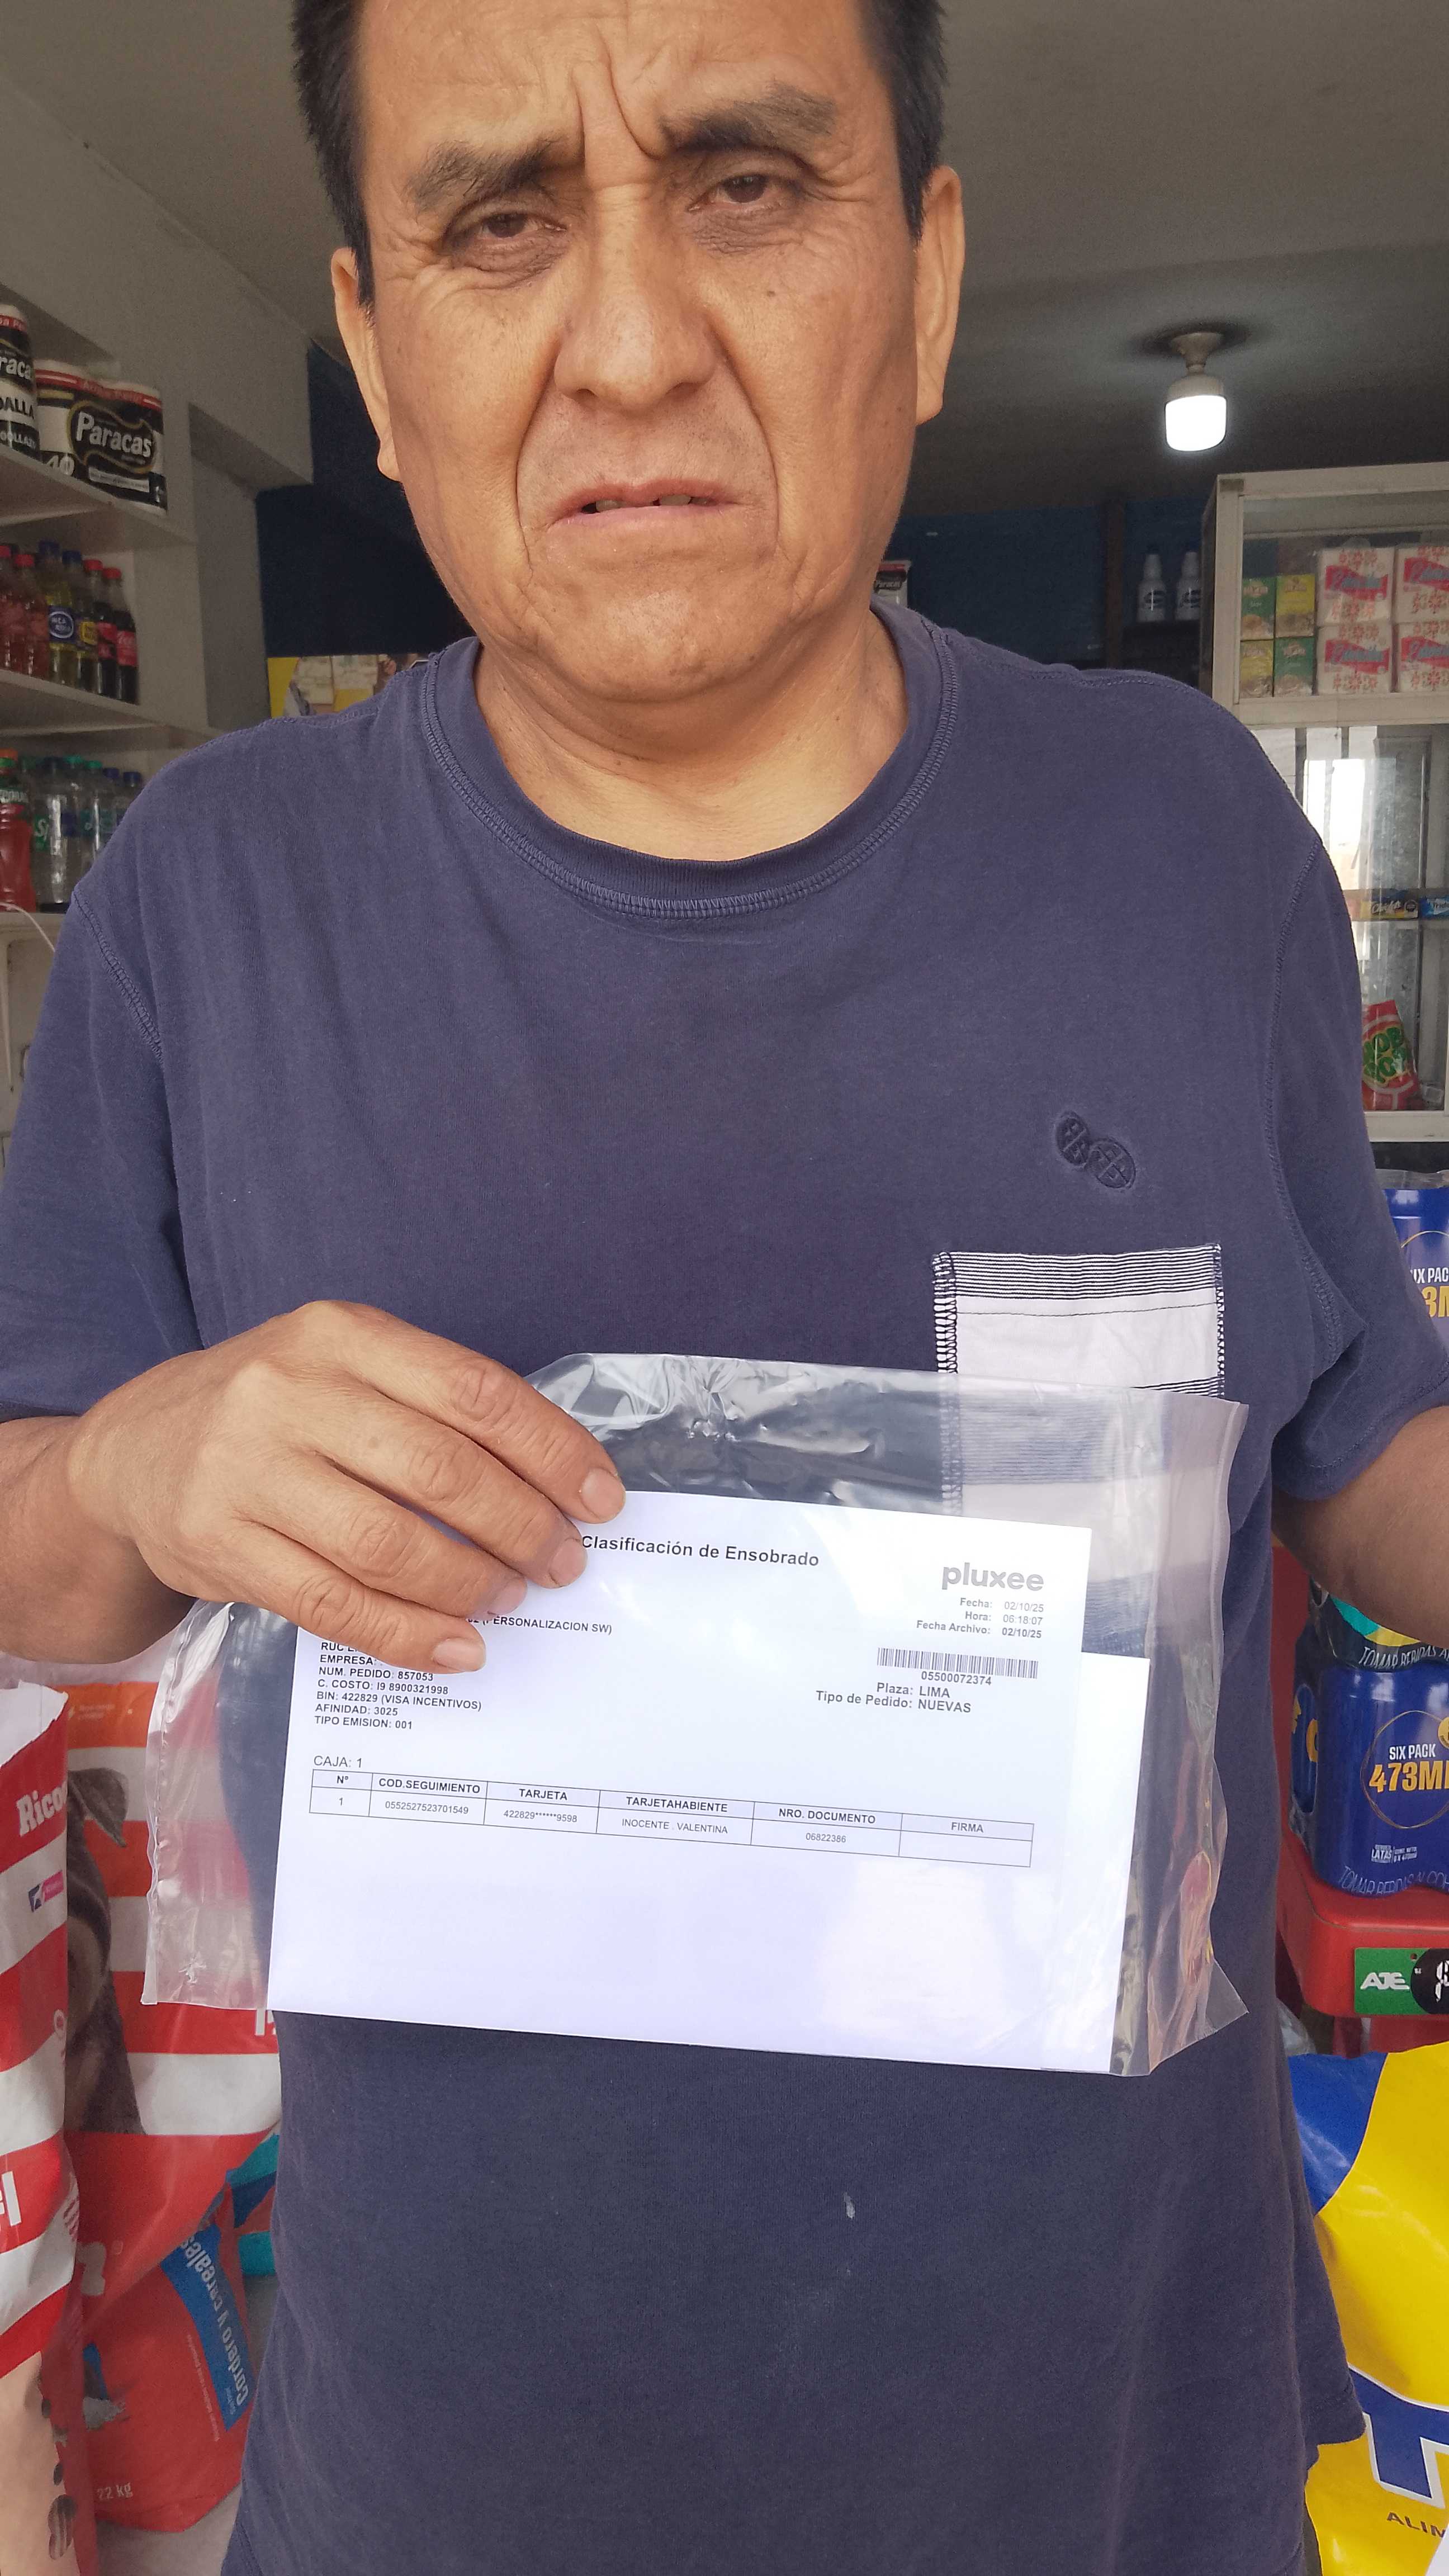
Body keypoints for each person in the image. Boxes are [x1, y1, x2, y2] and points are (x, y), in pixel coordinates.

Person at [1, 0, 1446, 2565]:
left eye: (749, 185)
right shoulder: (209, 902)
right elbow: (36, 1550)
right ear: (375, 346)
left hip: (1116, 2459)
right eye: (500, 220)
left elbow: (1367, 1466)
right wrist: (132, 1464)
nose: (633, 342)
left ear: (929, 274)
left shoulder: (1186, 837)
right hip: (460, 2477)